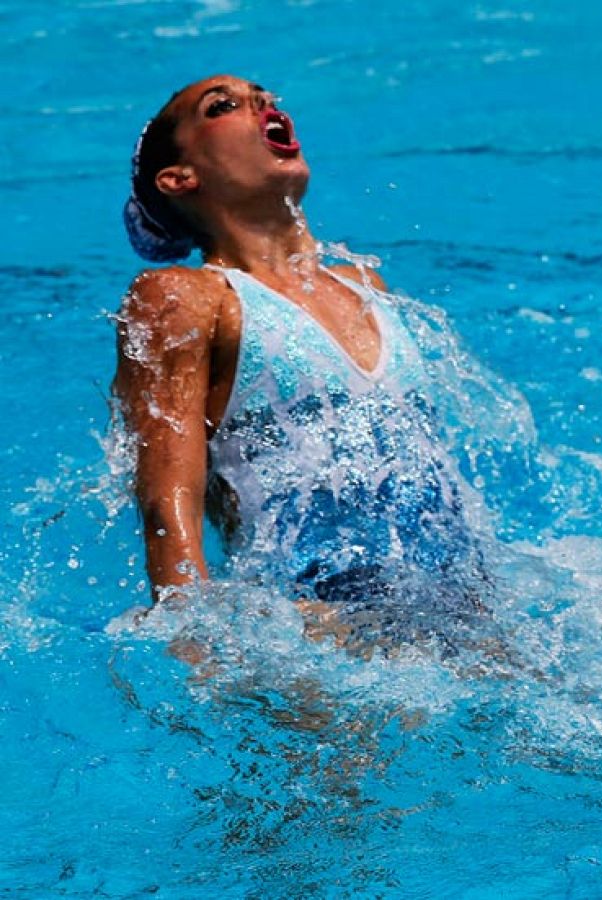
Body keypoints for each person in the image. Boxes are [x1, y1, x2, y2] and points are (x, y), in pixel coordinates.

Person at [115, 75, 490, 648]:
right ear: (179, 178)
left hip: (463, 608)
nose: (262, 105)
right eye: (224, 106)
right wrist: (194, 635)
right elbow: (169, 496)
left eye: (263, 97)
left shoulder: (366, 285)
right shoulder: (184, 297)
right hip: (322, 627)